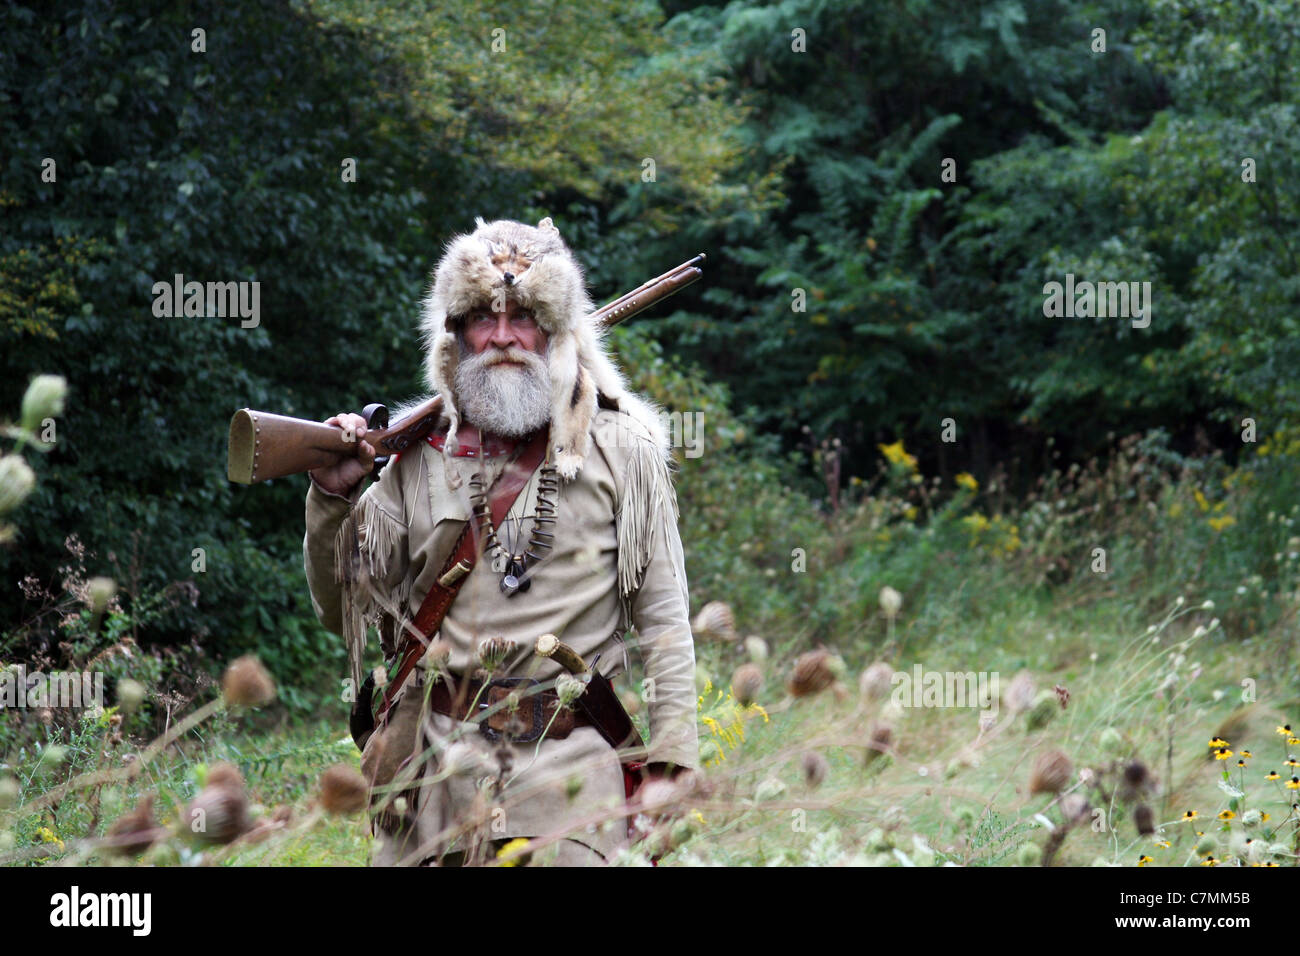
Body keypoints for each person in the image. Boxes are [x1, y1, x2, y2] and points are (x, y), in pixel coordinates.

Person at [302, 216, 698, 866]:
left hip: (571, 778)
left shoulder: (623, 450)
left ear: (553, 332)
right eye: (485, 317)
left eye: (524, 318)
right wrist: (332, 498)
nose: (505, 337)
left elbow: (663, 621)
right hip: (434, 778)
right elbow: (341, 605)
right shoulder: (416, 460)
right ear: (457, 334)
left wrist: (673, 762)